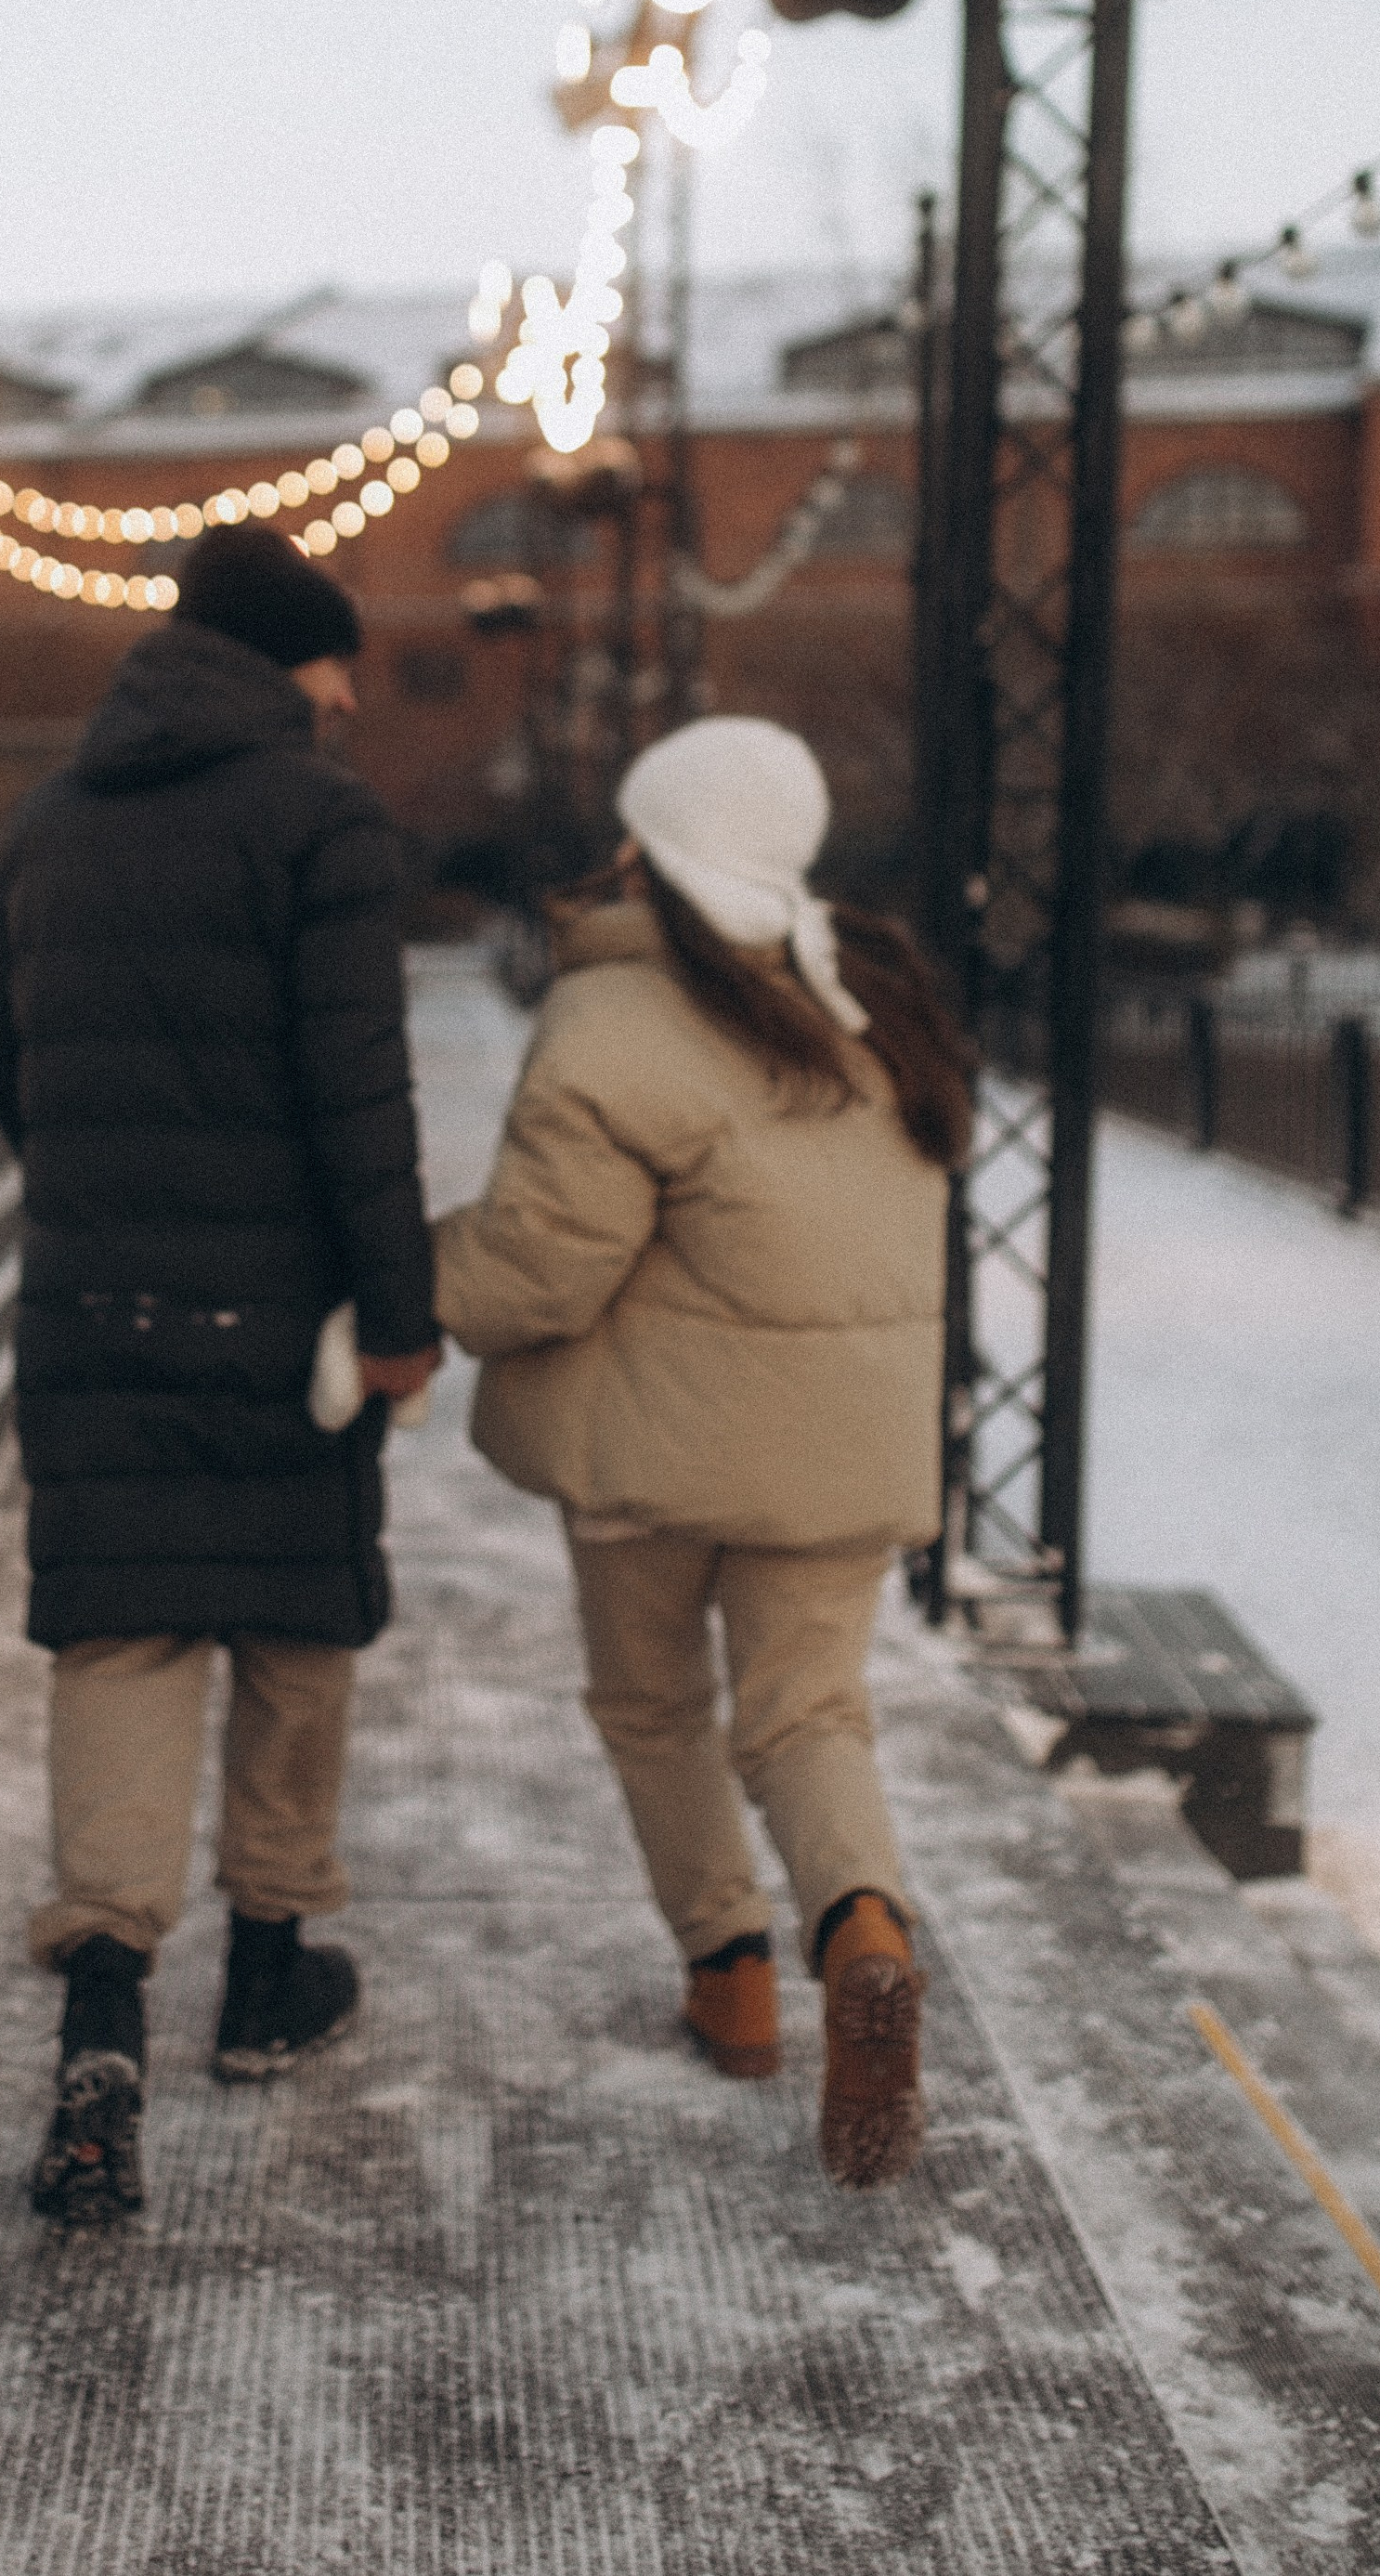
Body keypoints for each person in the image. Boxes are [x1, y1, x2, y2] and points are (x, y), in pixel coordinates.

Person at [0, 523, 437, 2221]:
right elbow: (358, 1096)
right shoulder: (322, 820)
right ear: (281, 663)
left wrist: (111, 1193)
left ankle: (102, 2008)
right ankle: (266, 1976)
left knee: (124, 1632)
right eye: (335, 664)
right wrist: (398, 1315)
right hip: (284, 1314)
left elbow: (0, 1060)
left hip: (95, 1307)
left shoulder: (52, 818)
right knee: (295, 1628)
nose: (349, 696)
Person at [431, 718, 969, 2190]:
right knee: (810, 1717)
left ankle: (729, 1977)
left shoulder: (616, 1018)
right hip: (843, 1446)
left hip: (651, 1452)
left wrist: (402, 1288)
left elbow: (542, 1267)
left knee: (654, 1706)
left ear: (653, 850)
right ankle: (861, 1930)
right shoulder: (877, 1002)